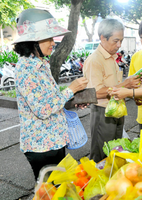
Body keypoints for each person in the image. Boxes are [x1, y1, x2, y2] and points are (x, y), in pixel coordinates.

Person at [12, 8, 88, 180]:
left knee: (61, 189)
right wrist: (71, 89)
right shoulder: (26, 69)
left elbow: (51, 99)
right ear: (33, 41)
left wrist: (73, 99)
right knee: (48, 192)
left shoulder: (41, 63)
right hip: (41, 147)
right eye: (49, 38)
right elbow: (43, 109)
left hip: (54, 140)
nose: (53, 43)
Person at [83, 19, 140, 163]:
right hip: (103, 113)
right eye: (116, 41)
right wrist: (126, 84)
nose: (119, 45)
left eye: (121, 40)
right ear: (103, 37)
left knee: (114, 152)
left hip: (116, 110)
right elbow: (94, 92)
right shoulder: (95, 60)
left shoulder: (111, 58)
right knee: (101, 154)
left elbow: (115, 86)